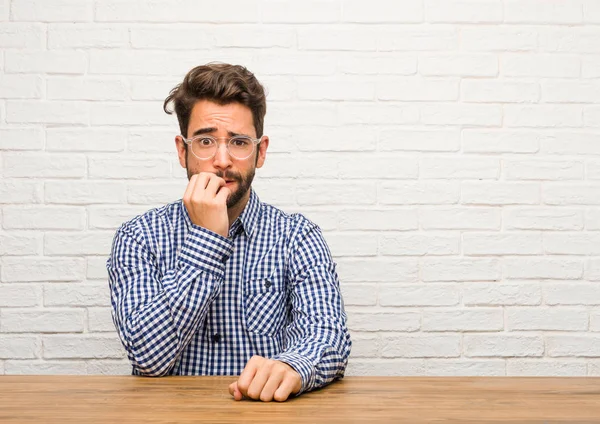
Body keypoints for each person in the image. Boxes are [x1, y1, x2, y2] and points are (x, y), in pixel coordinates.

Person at [106, 63, 352, 402]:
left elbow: (326, 334)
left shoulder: (297, 236)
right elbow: (149, 359)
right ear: (183, 150)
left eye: (238, 142)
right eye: (206, 141)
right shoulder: (139, 237)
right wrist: (208, 239)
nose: (222, 160)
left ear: (260, 151)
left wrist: (293, 367)